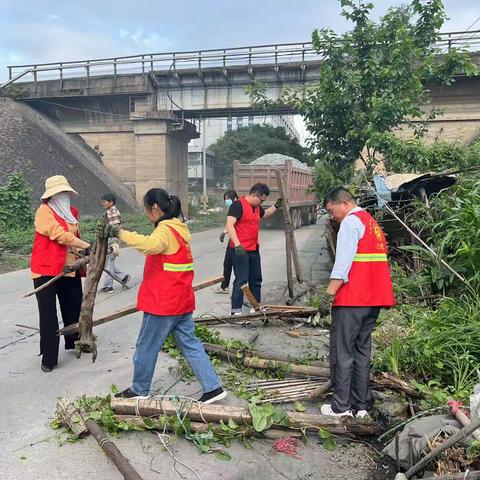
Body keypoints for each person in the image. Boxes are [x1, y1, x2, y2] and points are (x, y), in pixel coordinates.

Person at [102, 188, 226, 403]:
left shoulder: (165, 229)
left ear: (155, 208)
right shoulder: (180, 229)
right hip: (181, 301)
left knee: (146, 347)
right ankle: (213, 387)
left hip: (163, 303)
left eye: (146, 210)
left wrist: (119, 233)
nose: (146, 215)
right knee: (191, 344)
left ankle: (140, 390)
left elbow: (150, 246)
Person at [320, 187, 395, 418]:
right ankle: (360, 406)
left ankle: (340, 407)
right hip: (372, 301)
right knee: (362, 352)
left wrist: (328, 295)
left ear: (343, 203)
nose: (333, 216)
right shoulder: (371, 222)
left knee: (343, 352)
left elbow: (342, 266)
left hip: (352, 299)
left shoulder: (350, 224)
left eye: (332, 211)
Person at [30, 175, 91, 372]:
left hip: (69, 269)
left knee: (74, 305)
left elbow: (74, 237)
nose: (64, 196)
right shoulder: (44, 212)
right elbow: (58, 234)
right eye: (60, 193)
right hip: (46, 269)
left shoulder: (71, 212)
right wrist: (87, 245)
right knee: (48, 315)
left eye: (66, 192)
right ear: (51, 195)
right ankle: (48, 359)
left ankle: (74, 341)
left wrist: (84, 252)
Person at [226, 183, 282, 315]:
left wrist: (276, 206)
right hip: (239, 249)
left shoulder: (256, 207)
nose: (262, 202)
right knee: (241, 280)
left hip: (253, 249)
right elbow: (229, 225)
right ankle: (236, 311)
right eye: (261, 200)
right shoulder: (237, 205)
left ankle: (255, 307)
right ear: (254, 195)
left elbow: (266, 214)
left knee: (256, 279)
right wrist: (238, 244)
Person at [99, 193, 130, 293]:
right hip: (109, 240)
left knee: (108, 264)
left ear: (111, 202)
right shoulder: (109, 211)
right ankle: (123, 276)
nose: (102, 203)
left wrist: (114, 243)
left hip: (112, 241)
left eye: (105, 202)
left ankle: (108, 287)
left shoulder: (113, 212)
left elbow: (116, 229)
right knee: (107, 263)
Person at [213, 190, 239, 294]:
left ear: (234, 198)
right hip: (232, 241)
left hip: (237, 242)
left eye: (228, 199)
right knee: (227, 264)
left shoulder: (237, 207)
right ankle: (224, 286)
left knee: (236, 266)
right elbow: (231, 224)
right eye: (225, 200)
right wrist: (224, 232)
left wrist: (224, 232)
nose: (226, 201)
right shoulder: (233, 207)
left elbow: (234, 224)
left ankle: (240, 288)